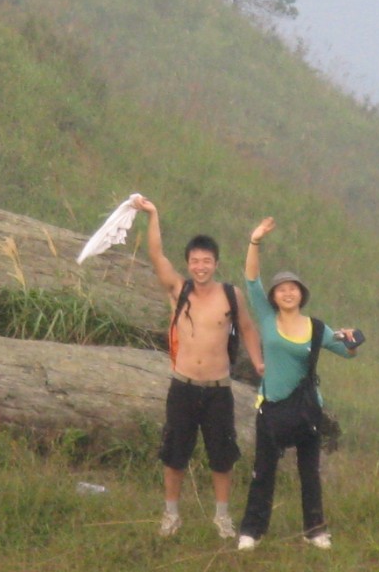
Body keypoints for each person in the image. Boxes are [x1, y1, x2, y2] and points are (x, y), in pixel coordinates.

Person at [131, 196, 263, 539]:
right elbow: (156, 255)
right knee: (175, 454)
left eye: (207, 261)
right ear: (188, 264)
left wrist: (259, 361)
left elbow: (247, 328)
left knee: (222, 457)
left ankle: (222, 518)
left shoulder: (231, 295)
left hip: (219, 388)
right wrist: (153, 214)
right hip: (183, 385)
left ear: (216, 264)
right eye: (195, 261)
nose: (200, 267)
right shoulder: (179, 290)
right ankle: (171, 515)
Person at [236, 216, 361, 550]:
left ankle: (315, 531)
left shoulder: (318, 328)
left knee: (310, 473)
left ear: (301, 294)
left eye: (293, 288)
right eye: (281, 289)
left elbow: (348, 353)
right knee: (263, 472)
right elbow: (251, 281)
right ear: (274, 296)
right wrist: (255, 241)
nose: (287, 292)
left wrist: (352, 339)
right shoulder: (266, 318)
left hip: (307, 411)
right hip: (272, 407)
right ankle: (252, 530)